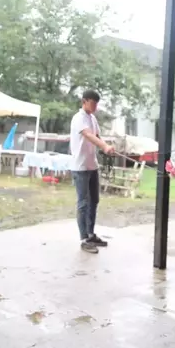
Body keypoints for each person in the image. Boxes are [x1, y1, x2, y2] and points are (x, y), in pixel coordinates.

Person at [69, 89, 115, 254]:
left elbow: (97, 137)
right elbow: (88, 135)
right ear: (84, 101)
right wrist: (103, 146)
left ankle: (91, 233)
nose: (95, 106)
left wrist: (106, 147)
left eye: (97, 103)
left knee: (94, 201)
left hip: (92, 165)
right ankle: (84, 239)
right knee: (83, 203)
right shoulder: (78, 119)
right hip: (80, 167)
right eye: (93, 103)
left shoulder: (92, 118)